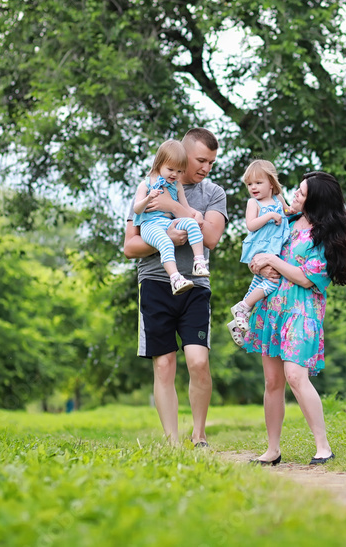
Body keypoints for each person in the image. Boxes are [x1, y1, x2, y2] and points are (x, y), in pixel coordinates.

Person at [239, 171, 346, 465]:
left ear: (316, 200)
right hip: (271, 309)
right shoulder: (286, 221)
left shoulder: (326, 234)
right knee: (272, 380)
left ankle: (323, 446)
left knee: (295, 376)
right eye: (298, 191)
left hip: (302, 311)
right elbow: (258, 252)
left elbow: (307, 278)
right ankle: (272, 449)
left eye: (302, 194)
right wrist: (258, 267)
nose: (294, 196)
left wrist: (274, 261)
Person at [123, 128, 227, 447]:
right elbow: (130, 246)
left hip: (195, 286)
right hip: (155, 282)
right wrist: (165, 239)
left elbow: (210, 237)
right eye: (200, 160)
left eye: (211, 162)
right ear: (180, 154)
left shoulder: (214, 193)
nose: (206, 167)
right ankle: (172, 441)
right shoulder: (148, 185)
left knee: (197, 360)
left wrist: (175, 207)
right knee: (164, 363)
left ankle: (199, 434)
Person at [132, 139, 210, 295]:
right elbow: (137, 209)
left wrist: (197, 214)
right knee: (166, 242)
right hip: (150, 225)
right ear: (159, 163)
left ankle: (199, 262)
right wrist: (148, 198)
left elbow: (185, 208)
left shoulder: (177, 186)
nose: (175, 174)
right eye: (171, 169)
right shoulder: (145, 185)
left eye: (180, 171)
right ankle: (175, 278)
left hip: (168, 223)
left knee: (190, 223)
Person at [227, 160, 290, 346]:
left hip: (275, 248)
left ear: (271, 182)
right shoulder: (253, 203)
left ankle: (237, 323)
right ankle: (242, 307)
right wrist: (270, 216)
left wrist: (293, 210)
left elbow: (288, 211)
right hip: (261, 249)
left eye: (258, 183)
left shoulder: (278, 199)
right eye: (249, 184)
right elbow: (251, 225)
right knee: (272, 282)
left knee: (258, 285)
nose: (253, 187)